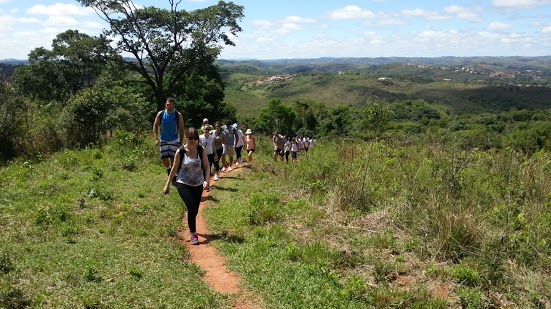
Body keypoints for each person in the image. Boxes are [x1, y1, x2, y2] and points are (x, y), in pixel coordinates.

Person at [163, 127, 210, 245]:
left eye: (195, 138)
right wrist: (167, 184)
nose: (193, 140)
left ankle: (191, 223)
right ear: (186, 138)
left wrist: (207, 180)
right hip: (183, 183)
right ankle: (193, 234)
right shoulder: (181, 151)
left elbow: (207, 166)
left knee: (195, 210)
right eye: (190, 138)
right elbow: (174, 168)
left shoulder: (201, 150)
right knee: (191, 207)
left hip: (198, 183)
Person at [153, 97, 185, 176]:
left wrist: (180, 141)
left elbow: (181, 129)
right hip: (163, 139)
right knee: (163, 158)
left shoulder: (178, 115)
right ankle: (169, 169)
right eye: (167, 104)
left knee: (173, 158)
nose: (169, 106)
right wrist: (156, 138)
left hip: (174, 139)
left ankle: (173, 174)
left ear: (174, 105)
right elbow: (155, 126)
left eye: (170, 105)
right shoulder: (161, 114)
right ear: (165, 105)